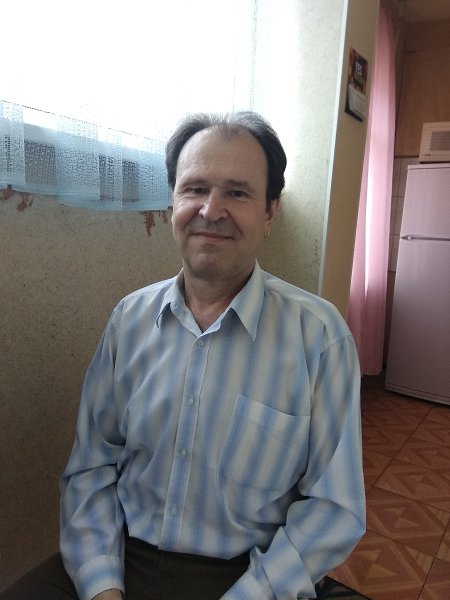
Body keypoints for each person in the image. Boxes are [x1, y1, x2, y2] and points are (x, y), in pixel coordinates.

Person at [2, 112, 365, 600]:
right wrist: (102, 586)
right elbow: (92, 468)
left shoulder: (319, 337)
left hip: (245, 575)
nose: (211, 210)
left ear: (269, 213)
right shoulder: (129, 320)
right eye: (194, 189)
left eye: (237, 193)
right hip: (121, 556)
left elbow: (334, 508)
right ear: (173, 202)